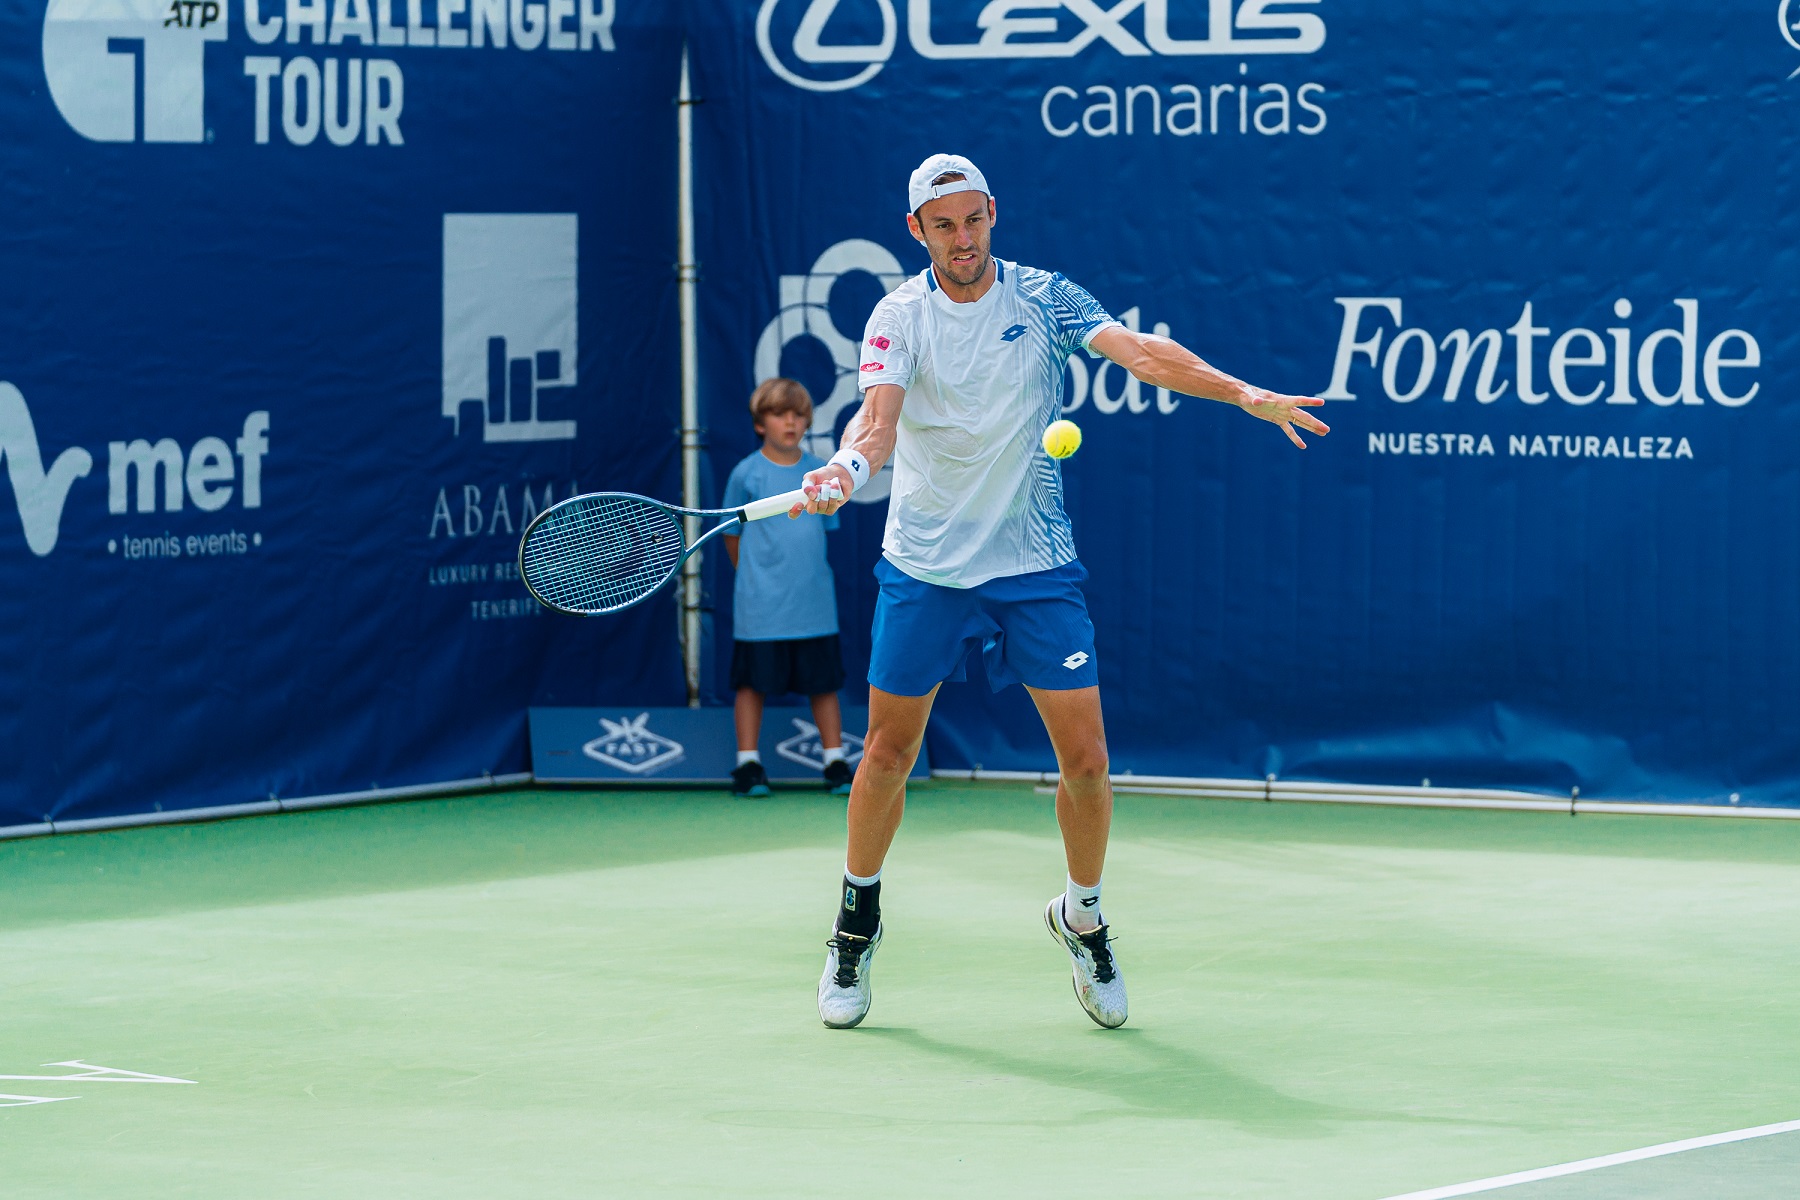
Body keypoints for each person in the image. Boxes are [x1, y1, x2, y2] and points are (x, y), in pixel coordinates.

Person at [793, 153, 1329, 1030]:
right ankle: (856, 922)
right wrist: (847, 468)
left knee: (1086, 761)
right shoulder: (899, 315)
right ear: (917, 231)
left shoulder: (1046, 297)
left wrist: (1243, 394)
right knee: (887, 753)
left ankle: (1082, 916)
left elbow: (1142, 354)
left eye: (974, 219)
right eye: (944, 226)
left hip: (1032, 562)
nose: (962, 239)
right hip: (926, 562)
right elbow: (877, 423)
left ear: (992, 213)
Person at [721, 378, 855, 799]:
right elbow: (731, 537)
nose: (791, 422)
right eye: (780, 414)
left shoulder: (821, 473)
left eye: (798, 415)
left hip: (813, 605)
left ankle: (835, 762)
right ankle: (748, 765)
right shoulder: (745, 474)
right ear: (761, 424)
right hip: (760, 607)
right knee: (751, 684)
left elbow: (823, 528)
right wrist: (756, 580)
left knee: (824, 684)